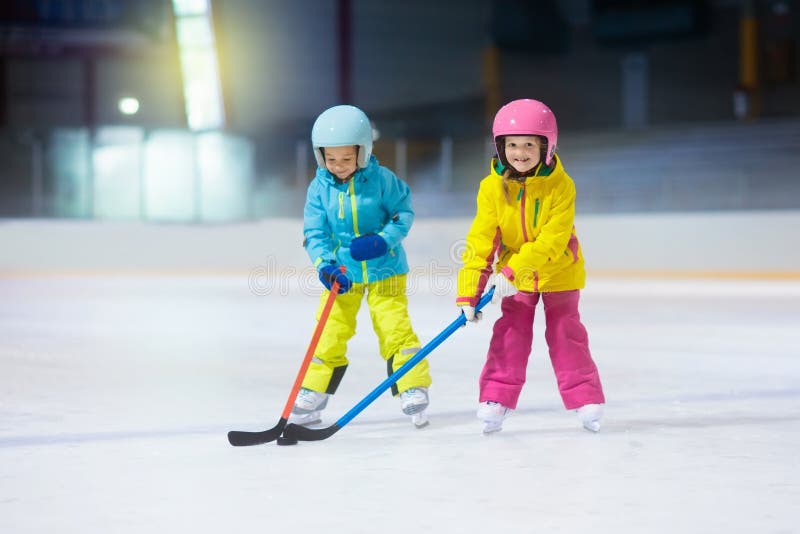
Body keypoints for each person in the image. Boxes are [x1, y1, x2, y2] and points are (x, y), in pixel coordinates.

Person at [456, 98, 605, 434]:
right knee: (510, 333)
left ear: (546, 147)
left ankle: (584, 397)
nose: (519, 152)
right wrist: (469, 294)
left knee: (566, 333)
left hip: (559, 272)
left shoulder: (562, 186)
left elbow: (552, 241)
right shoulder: (491, 188)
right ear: (499, 147)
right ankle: (496, 397)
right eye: (512, 145)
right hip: (515, 278)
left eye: (528, 145)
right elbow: (481, 241)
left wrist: (511, 272)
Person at [289, 104, 431, 429]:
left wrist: (383, 240)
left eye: (346, 158)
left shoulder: (383, 180)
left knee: (395, 329)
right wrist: (324, 265)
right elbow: (315, 232)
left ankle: (412, 387)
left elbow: (402, 213)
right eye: (331, 159)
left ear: (363, 151)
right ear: (320, 155)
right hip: (343, 273)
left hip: (386, 269)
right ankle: (314, 391)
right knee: (329, 332)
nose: (338, 166)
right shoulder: (319, 189)